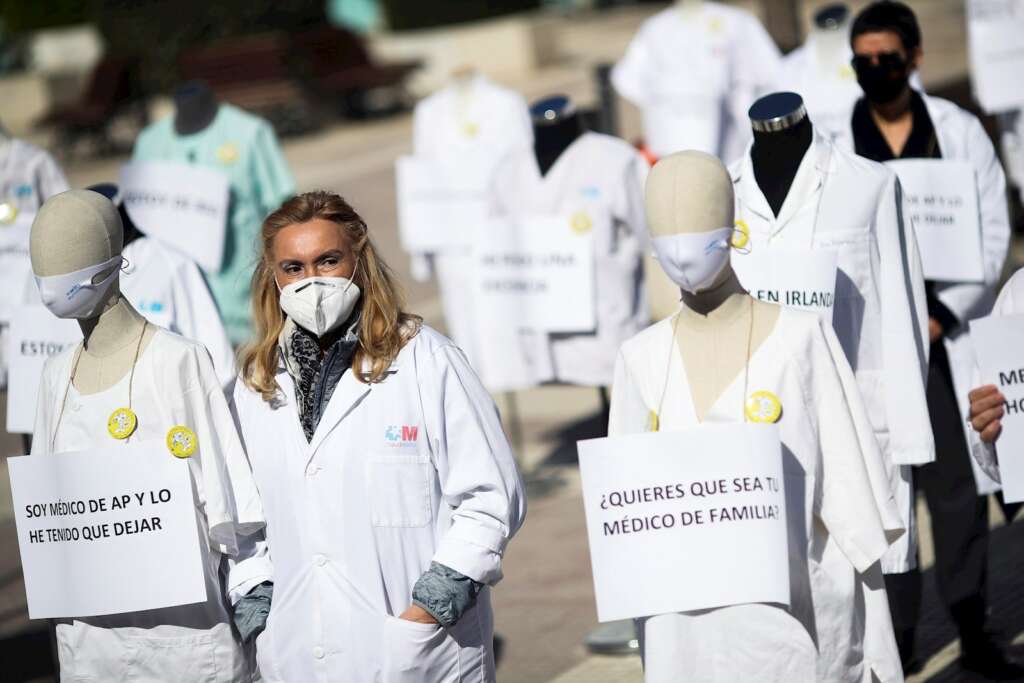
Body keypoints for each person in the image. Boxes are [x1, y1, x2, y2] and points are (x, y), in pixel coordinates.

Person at [231, 190, 526, 682]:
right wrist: (261, 615)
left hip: (414, 650)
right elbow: (242, 526)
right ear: (272, 276)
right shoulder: (256, 385)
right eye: (293, 268)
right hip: (298, 651)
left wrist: (430, 608)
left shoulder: (427, 360)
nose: (312, 281)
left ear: (359, 261)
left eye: (328, 260)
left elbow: (491, 499)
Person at [830, 2, 1018, 677]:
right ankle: (899, 636)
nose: (875, 69)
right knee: (883, 496)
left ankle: (972, 628)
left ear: (914, 58)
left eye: (887, 57)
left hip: (943, 341)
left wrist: (938, 313)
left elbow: (992, 233)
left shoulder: (959, 133)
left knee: (956, 492)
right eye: (863, 60)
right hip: (871, 350)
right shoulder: (836, 144)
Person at [29, 190, 269, 681]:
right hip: (90, 648)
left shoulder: (179, 361)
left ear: (109, 259)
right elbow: (48, 527)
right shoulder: (54, 378)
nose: (49, 283)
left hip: (185, 643)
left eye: (64, 256)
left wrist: (254, 604)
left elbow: (232, 513)